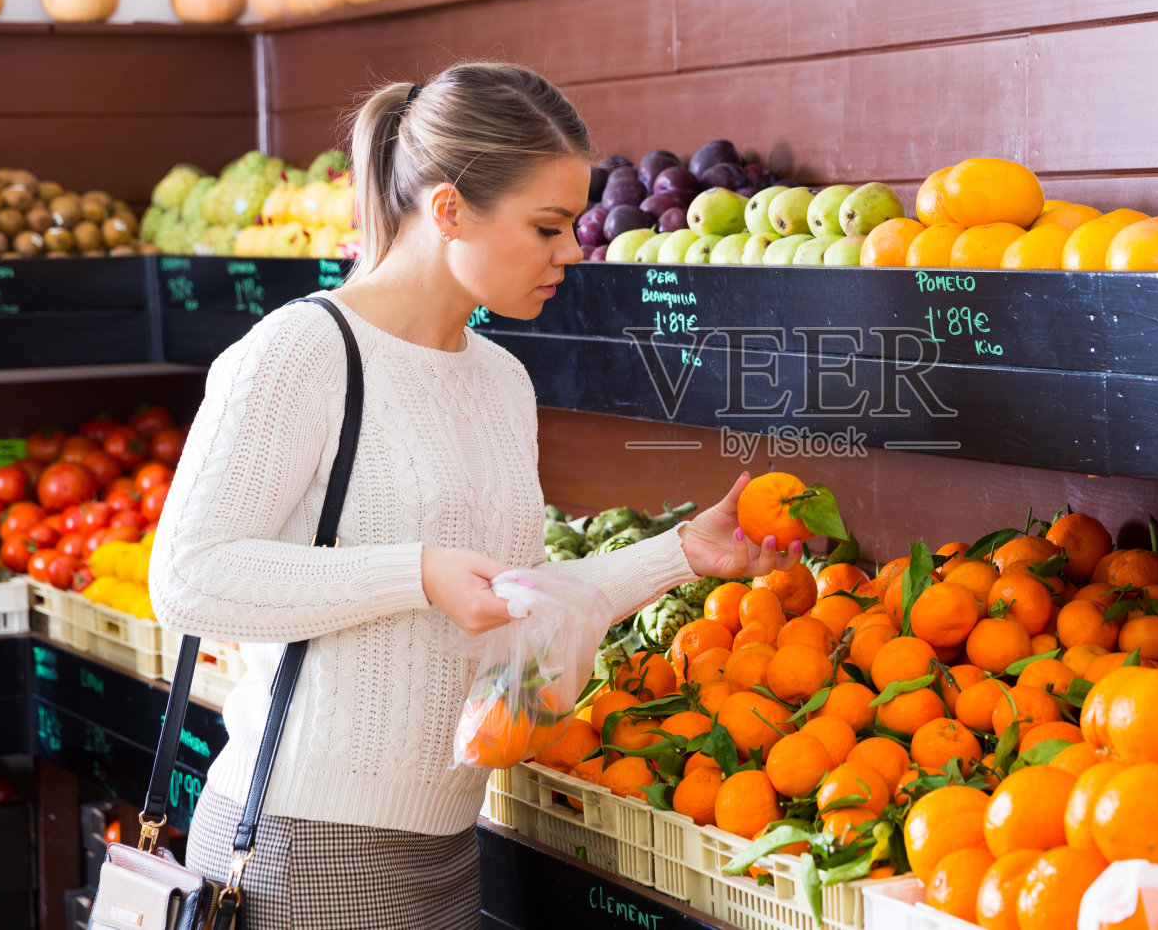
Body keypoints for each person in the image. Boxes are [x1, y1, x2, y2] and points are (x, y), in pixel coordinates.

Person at [148, 62, 802, 930]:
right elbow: (187, 580)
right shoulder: (299, 353)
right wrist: (415, 573)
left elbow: (518, 602)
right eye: (546, 225)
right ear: (449, 210)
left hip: (452, 843)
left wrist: (683, 552)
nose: (571, 250)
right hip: (299, 848)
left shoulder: (501, 382)